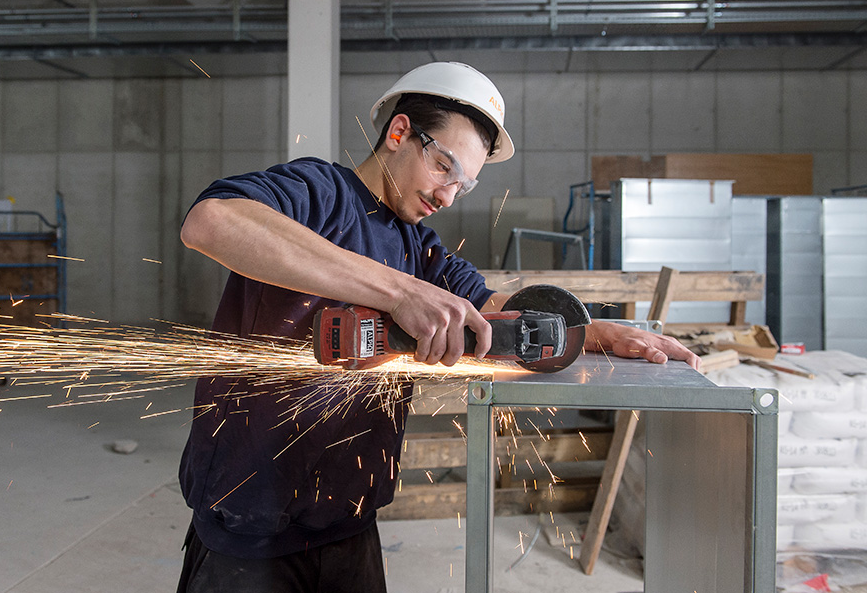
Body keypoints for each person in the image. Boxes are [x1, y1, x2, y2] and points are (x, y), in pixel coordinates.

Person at [176, 61, 699, 593]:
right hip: (248, 524)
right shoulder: (321, 193)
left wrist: (595, 333)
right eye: (445, 168)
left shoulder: (419, 248)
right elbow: (213, 222)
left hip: (349, 523)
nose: (449, 196)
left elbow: (498, 313)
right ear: (400, 133)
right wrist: (400, 292)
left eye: (465, 185)